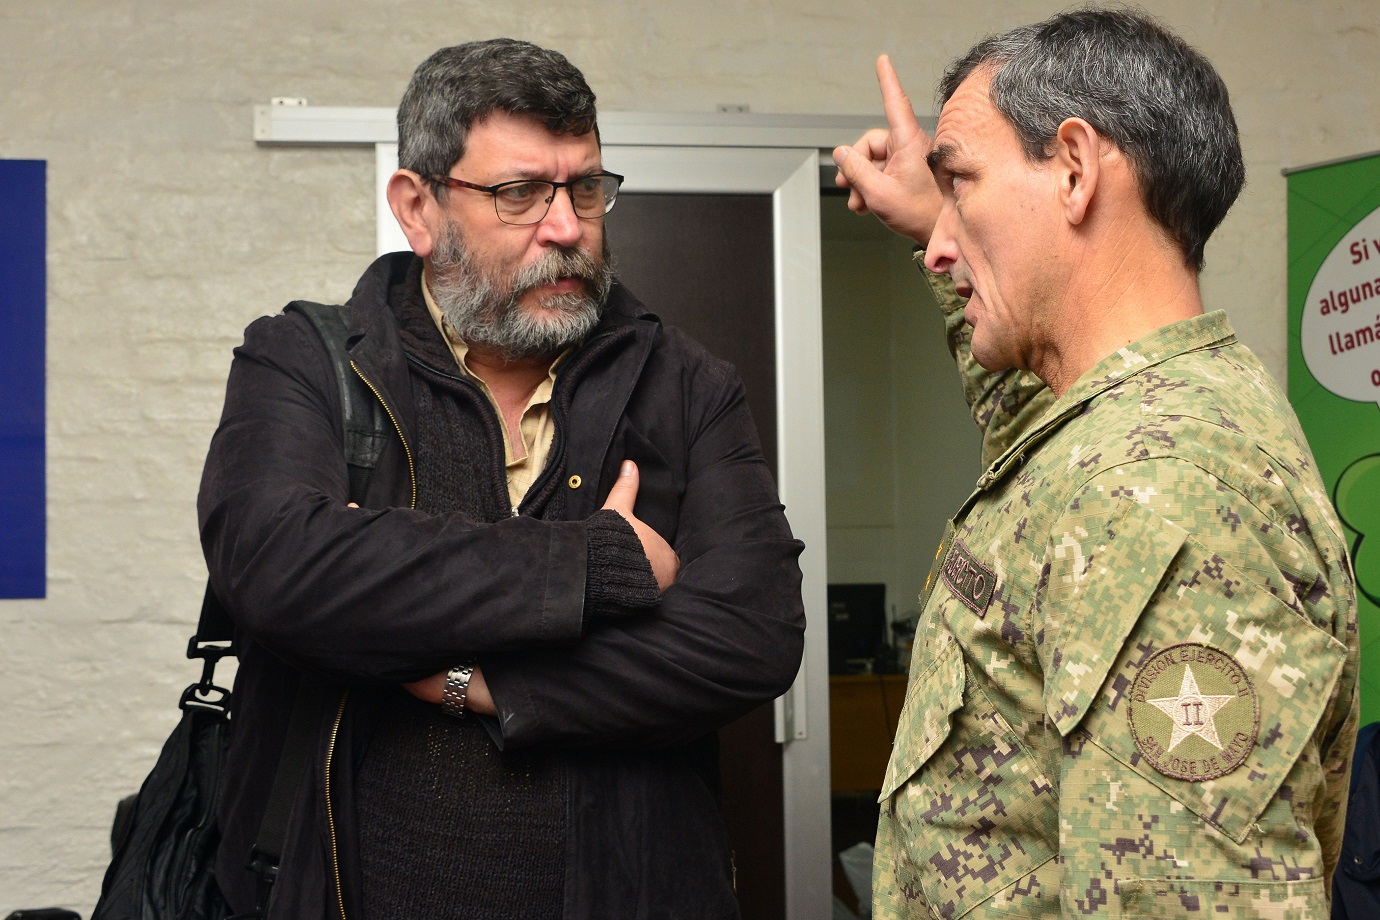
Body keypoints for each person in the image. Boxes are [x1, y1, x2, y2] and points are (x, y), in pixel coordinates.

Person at [198, 39, 805, 920]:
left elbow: (752, 637)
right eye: (519, 193)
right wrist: (600, 564)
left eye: (585, 189)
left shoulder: (686, 386)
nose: (567, 228)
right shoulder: (302, 361)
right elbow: (277, 566)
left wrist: (482, 683)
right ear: (418, 207)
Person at [832, 9, 1358, 918]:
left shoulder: (1160, 495)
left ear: (1074, 169)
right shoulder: (1118, 425)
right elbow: (1026, 410)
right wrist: (937, 215)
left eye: (964, 184)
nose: (944, 243)